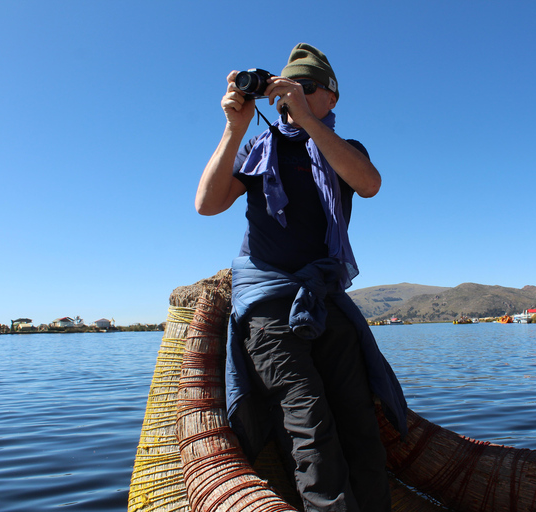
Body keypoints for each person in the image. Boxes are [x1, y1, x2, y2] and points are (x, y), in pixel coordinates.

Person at [196, 43, 407, 512]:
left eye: (307, 87)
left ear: (332, 97)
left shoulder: (346, 151)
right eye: (289, 87)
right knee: (309, 421)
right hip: (269, 303)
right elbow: (207, 203)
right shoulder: (256, 148)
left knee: (359, 424)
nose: (294, 94)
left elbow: (368, 184)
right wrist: (234, 127)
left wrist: (309, 124)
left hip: (323, 298)